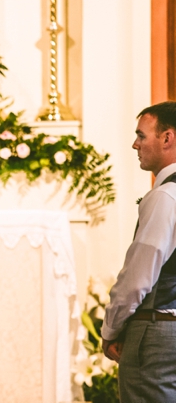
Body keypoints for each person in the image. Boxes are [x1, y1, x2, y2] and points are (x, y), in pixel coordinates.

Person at [102, 101, 176, 401]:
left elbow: (137, 278)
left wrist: (110, 329)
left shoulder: (166, 197)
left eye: (142, 135)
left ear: (167, 138)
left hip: (159, 333)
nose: (135, 144)